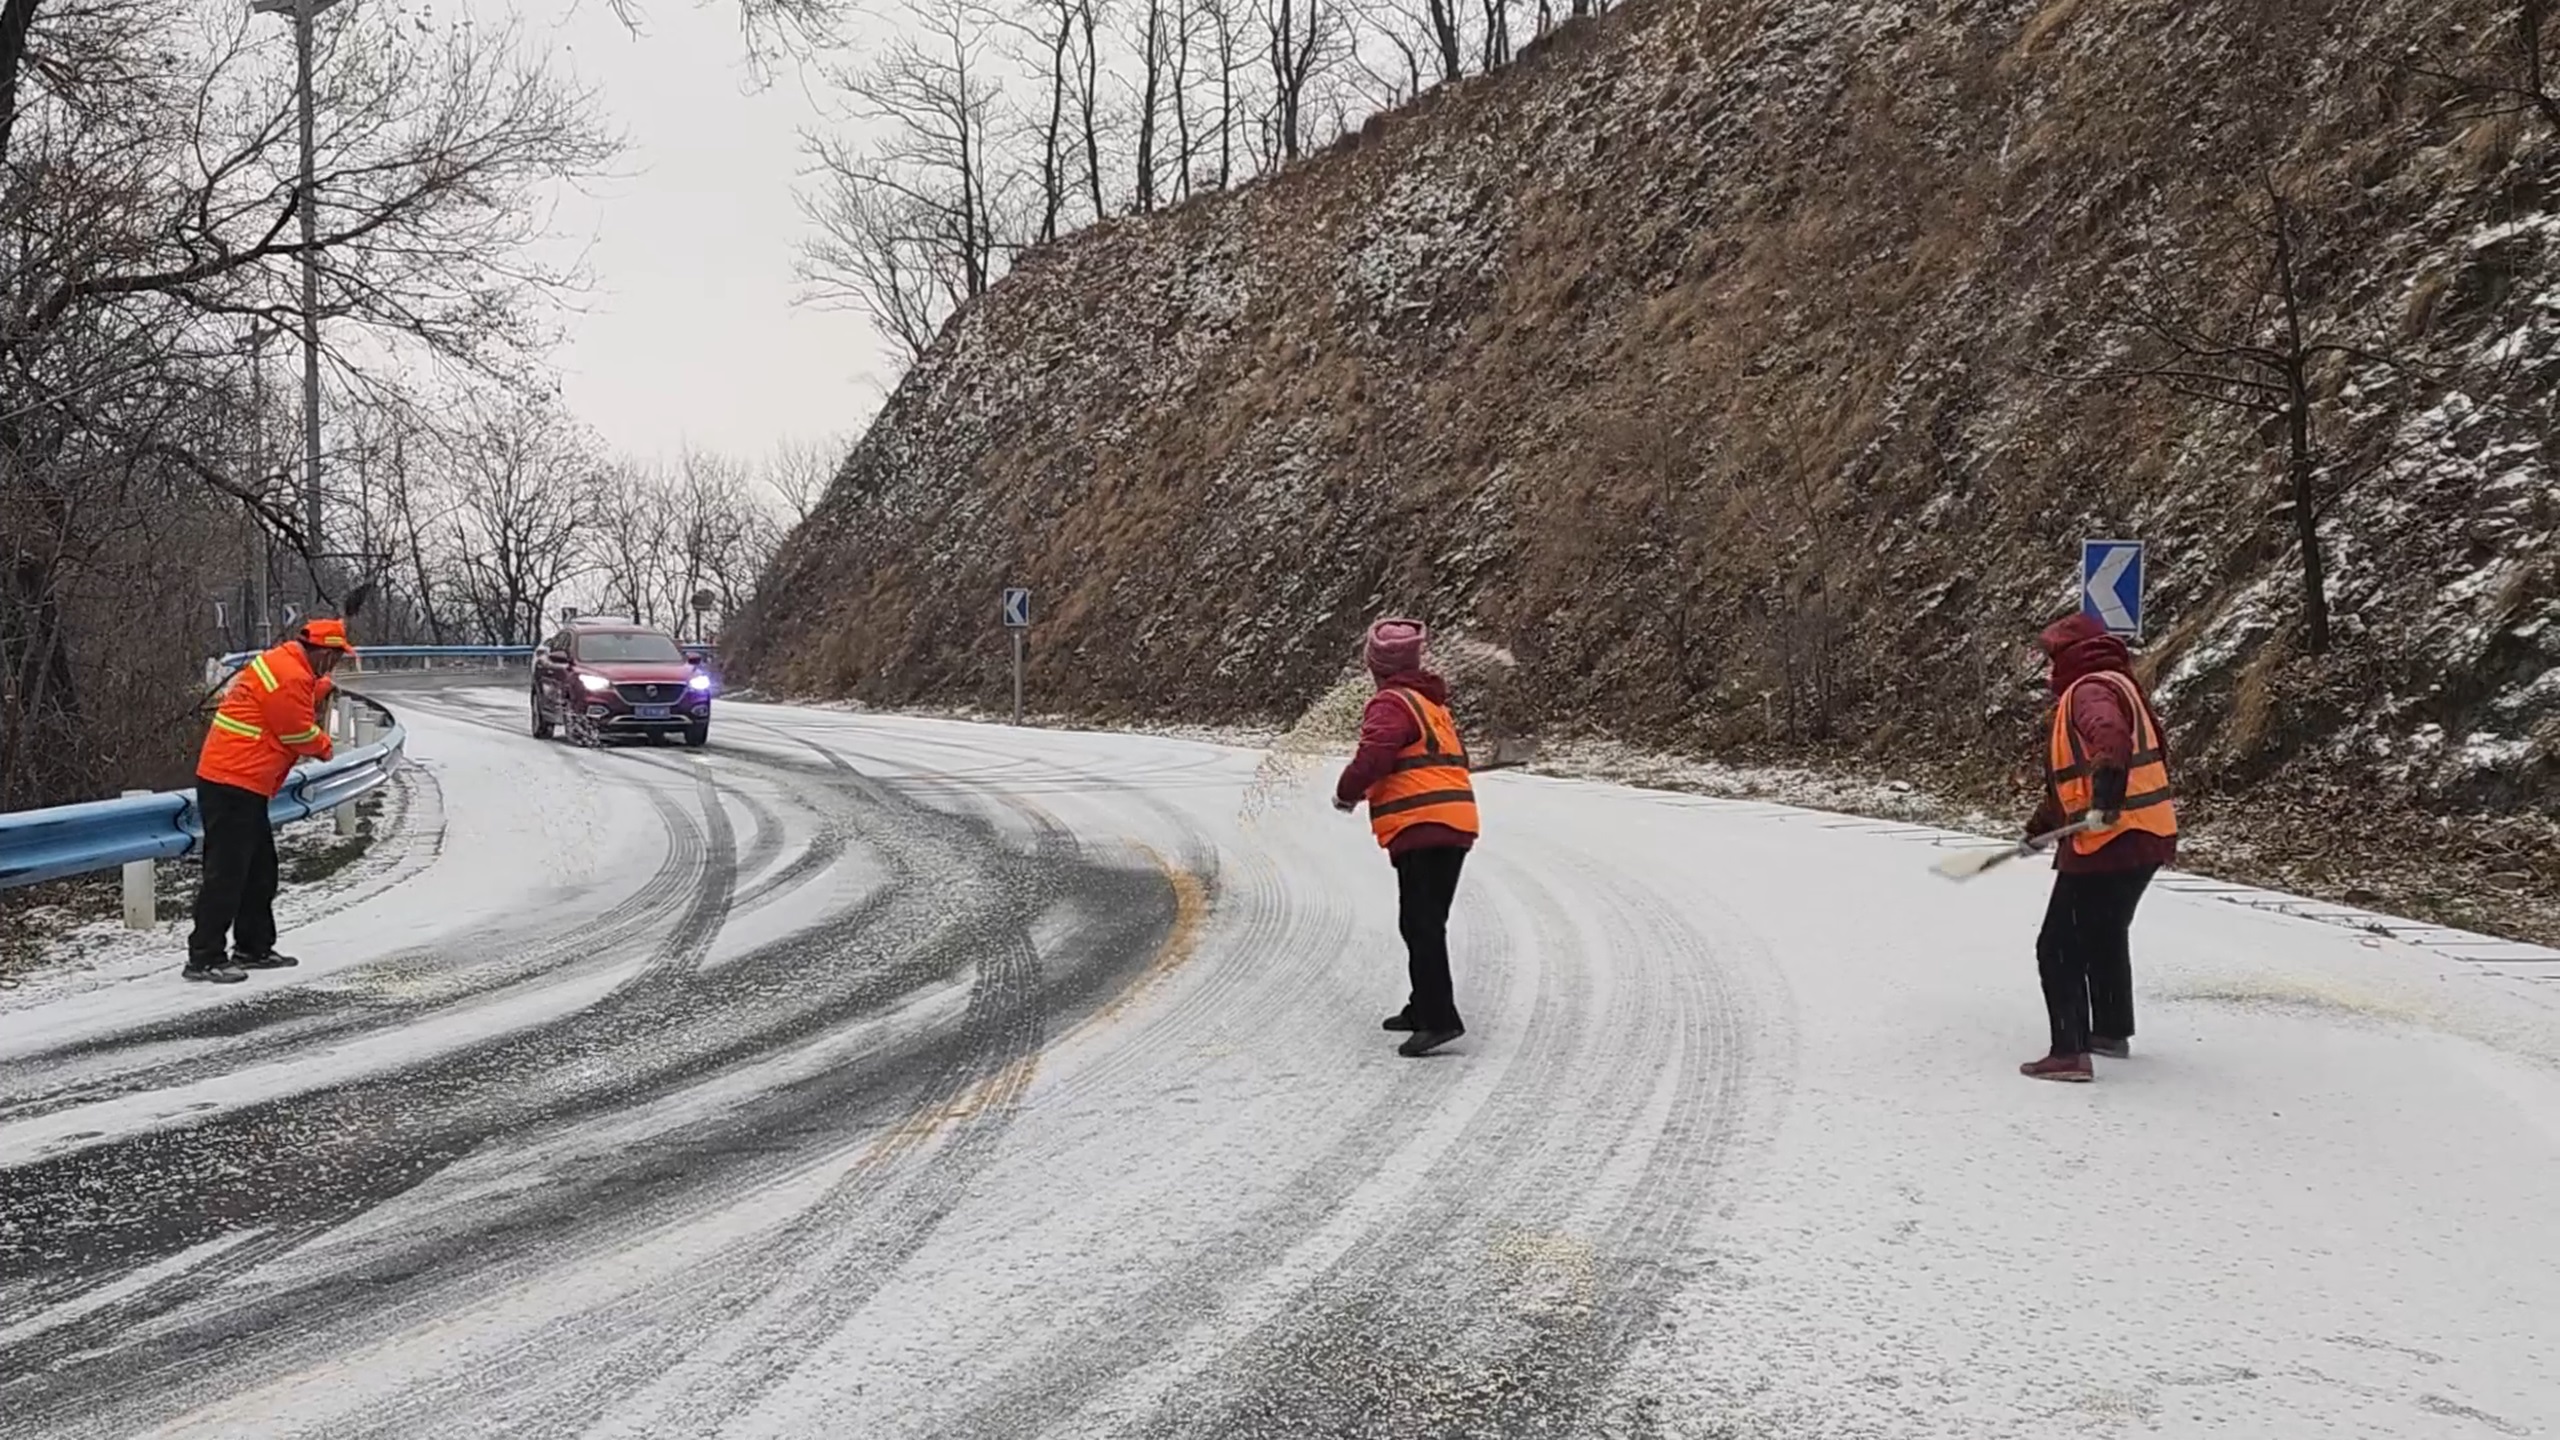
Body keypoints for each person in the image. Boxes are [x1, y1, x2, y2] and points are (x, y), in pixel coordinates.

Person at [2019, 613, 2178, 1082]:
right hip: (2148, 833)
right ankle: (2109, 1030)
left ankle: (2068, 1053)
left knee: (2058, 945)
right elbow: (2070, 783)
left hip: (2111, 836)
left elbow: (2109, 740)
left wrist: (2107, 801)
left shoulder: (2087, 691)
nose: (2049, 668)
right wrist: (2038, 830)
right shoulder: (2117, 682)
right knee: (2105, 931)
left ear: (2070, 655)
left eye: (2052, 657)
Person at [1333, 618, 1480, 1057]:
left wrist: (1345, 793)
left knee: (1421, 923)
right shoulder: (1430, 703)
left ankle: (1439, 1019)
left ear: (1376, 664)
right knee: (1421, 920)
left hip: (1423, 824)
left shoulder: (1391, 704)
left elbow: (1374, 756)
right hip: (1453, 822)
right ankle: (1422, 1007)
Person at [184, 618, 353, 983]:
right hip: (231, 782)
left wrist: (321, 687)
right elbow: (297, 733)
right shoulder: (291, 677)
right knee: (226, 873)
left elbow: (289, 695)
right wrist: (325, 746)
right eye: (336, 659)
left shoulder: (286, 664)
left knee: (260, 871)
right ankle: (204, 956)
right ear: (323, 653)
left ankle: (253, 946)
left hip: (244, 782)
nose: (337, 665)